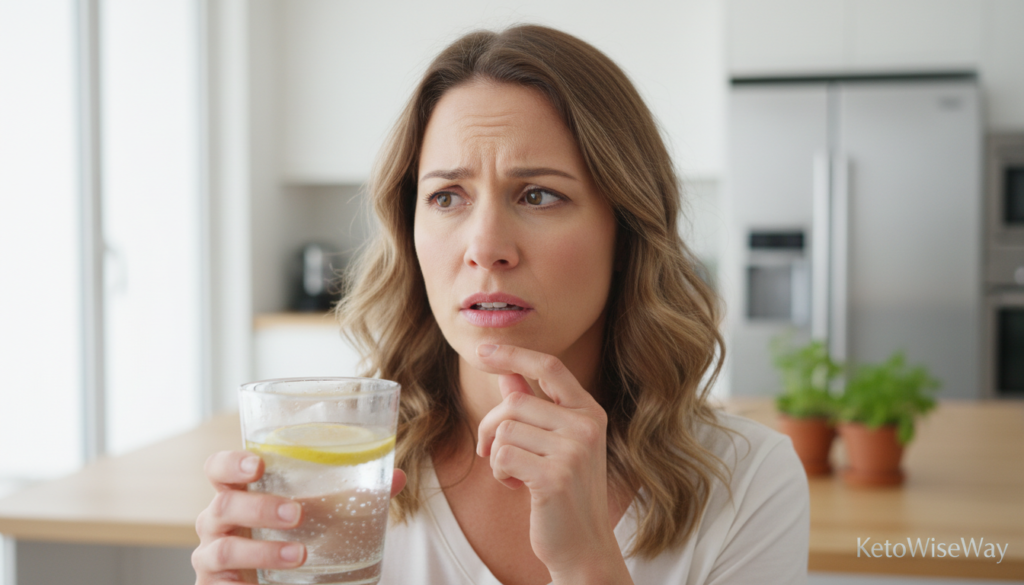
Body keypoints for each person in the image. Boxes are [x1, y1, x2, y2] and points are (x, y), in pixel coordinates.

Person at [192, 24, 809, 585]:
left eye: (538, 195)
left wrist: (588, 560)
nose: (486, 248)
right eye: (446, 197)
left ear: (625, 231)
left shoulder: (748, 480)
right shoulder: (340, 472)